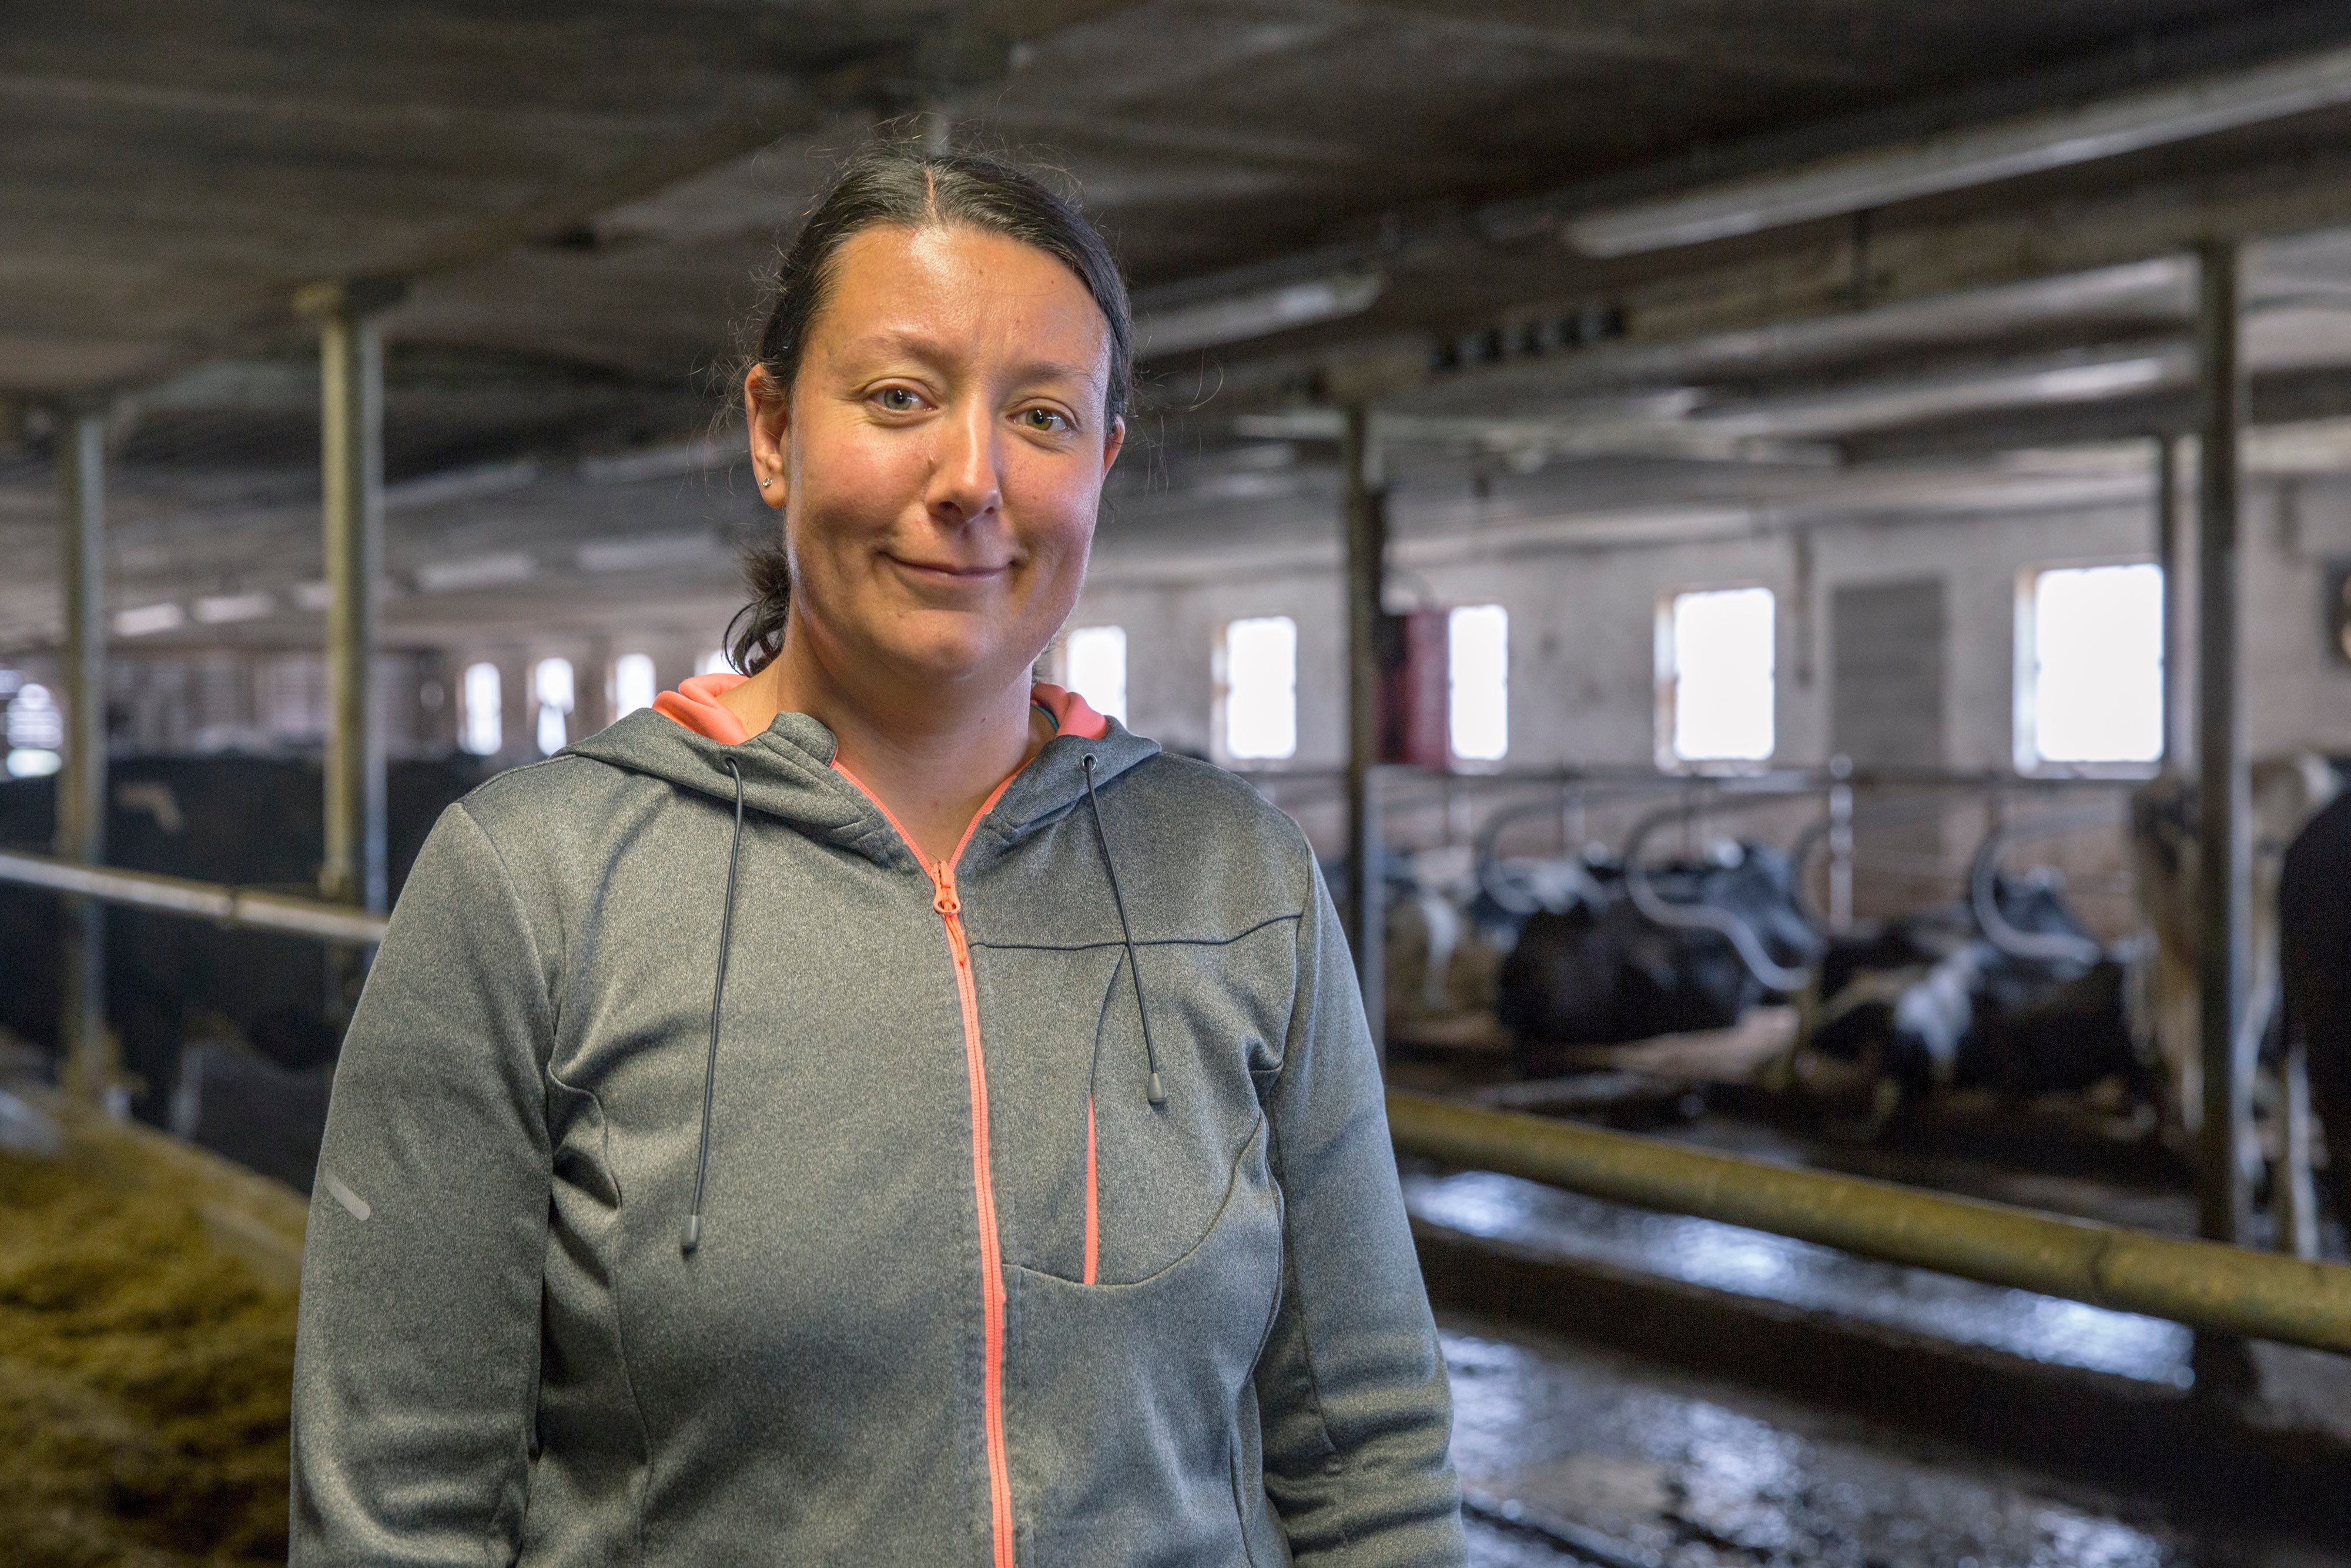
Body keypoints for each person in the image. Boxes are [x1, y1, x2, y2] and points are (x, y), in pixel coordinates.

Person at [290, 141, 1463, 1566]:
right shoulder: (534, 881)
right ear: (774, 429)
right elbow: (397, 1510)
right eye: (900, 397)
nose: (970, 477)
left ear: (1099, 459)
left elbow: (1370, 1458)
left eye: (1039, 414)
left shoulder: (1239, 885)